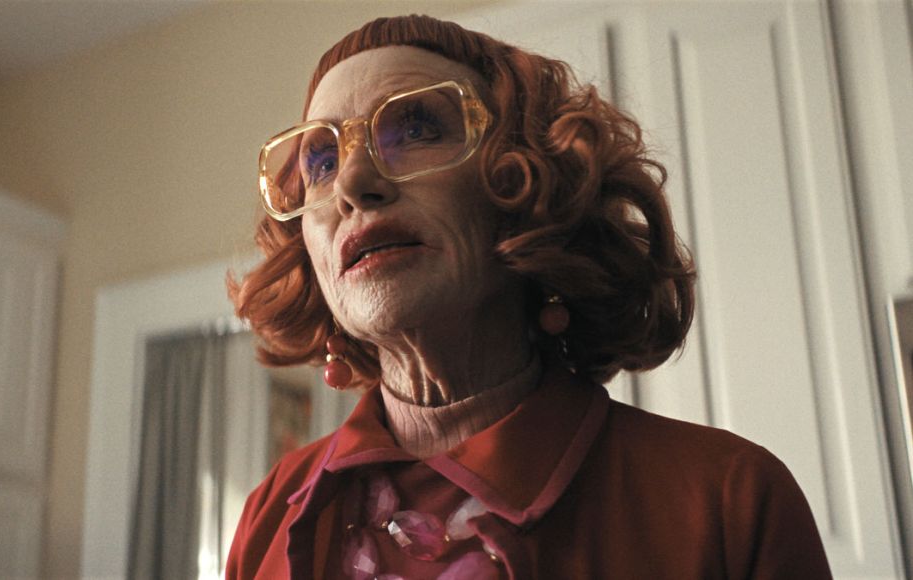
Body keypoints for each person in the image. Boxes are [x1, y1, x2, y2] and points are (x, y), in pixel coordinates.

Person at [226, 14, 832, 580]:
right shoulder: (267, 516)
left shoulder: (728, 500)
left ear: (527, 185)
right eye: (322, 162)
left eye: (415, 129)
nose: (354, 184)